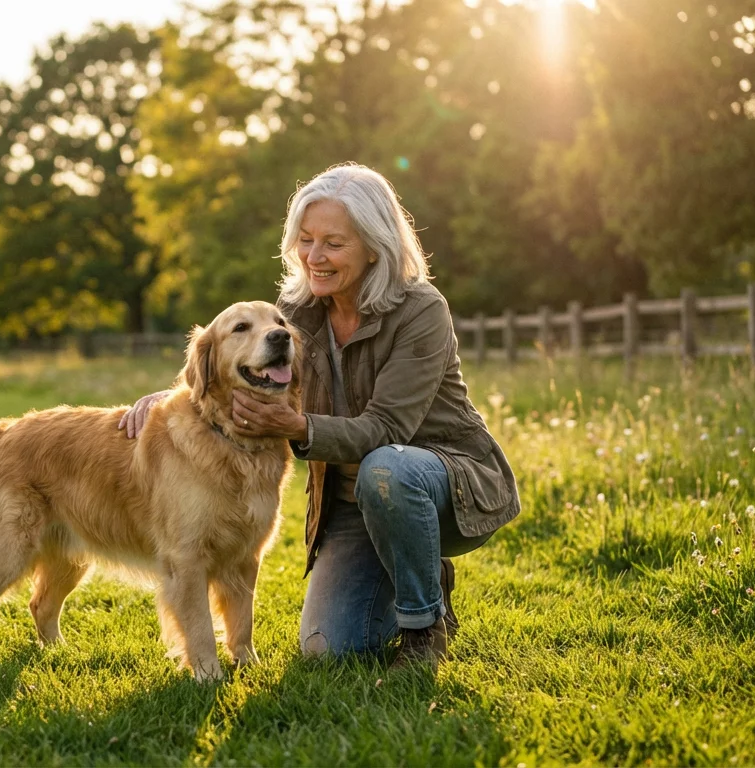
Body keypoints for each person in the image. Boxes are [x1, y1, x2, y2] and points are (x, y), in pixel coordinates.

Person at [119, 163, 520, 670]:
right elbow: (234, 357)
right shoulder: (297, 308)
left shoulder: (421, 311)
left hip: (441, 482)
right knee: (329, 648)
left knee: (387, 468)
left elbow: (386, 431)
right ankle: (406, 568)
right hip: (352, 501)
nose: (315, 257)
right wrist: (169, 396)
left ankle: (425, 626)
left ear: (374, 245)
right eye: (305, 240)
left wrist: (298, 428)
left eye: (333, 242)